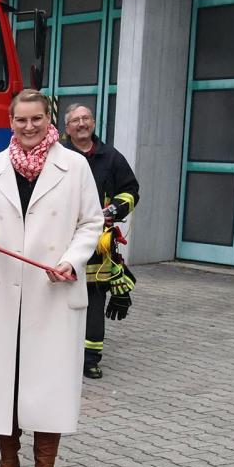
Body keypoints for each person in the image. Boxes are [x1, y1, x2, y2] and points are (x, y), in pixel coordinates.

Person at [0, 89, 103, 467]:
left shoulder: (74, 166)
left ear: (48, 120)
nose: (28, 127)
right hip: (4, 288)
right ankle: (8, 464)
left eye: (36, 119)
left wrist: (72, 261)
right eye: (21, 120)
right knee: (5, 379)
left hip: (51, 288)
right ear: (10, 122)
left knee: (49, 380)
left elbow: (91, 223)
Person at [62, 104, 140, 380]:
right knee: (59, 298)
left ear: (93, 122)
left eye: (86, 118)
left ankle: (91, 359)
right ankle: (60, 354)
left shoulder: (111, 157)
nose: (82, 124)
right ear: (67, 126)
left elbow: (131, 190)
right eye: (76, 120)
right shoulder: (57, 155)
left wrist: (115, 210)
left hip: (99, 244)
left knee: (94, 300)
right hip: (61, 240)